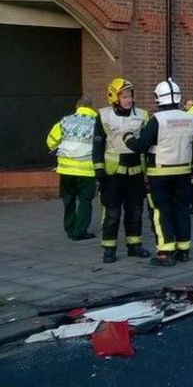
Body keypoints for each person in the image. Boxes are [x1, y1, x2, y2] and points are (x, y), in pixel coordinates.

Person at [123, 79, 193, 266]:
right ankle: (183, 250)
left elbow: (141, 145)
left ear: (158, 98)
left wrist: (127, 137)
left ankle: (165, 252)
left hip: (159, 173)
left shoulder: (157, 120)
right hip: (184, 172)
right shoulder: (192, 119)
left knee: (161, 211)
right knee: (181, 210)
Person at [93, 78, 151, 263]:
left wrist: (148, 172)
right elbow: (97, 145)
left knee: (135, 212)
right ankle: (109, 248)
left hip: (136, 173)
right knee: (112, 213)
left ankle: (134, 246)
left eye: (130, 96)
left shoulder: (142, 115)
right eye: (124, 96)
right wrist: (99, 171)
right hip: (113, 175)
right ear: (114, 97)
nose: (128, 100)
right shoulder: (103, 116)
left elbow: (148, 145)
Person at [46, 97, 99, 241]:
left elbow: (51, 141)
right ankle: (80, 231)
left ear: (77, 106)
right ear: (92, 107)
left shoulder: (65, 121)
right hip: (86, 170)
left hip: (66, 169)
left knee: (68, 200)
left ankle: (69, 228)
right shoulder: (97, 122)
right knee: (85, 201)